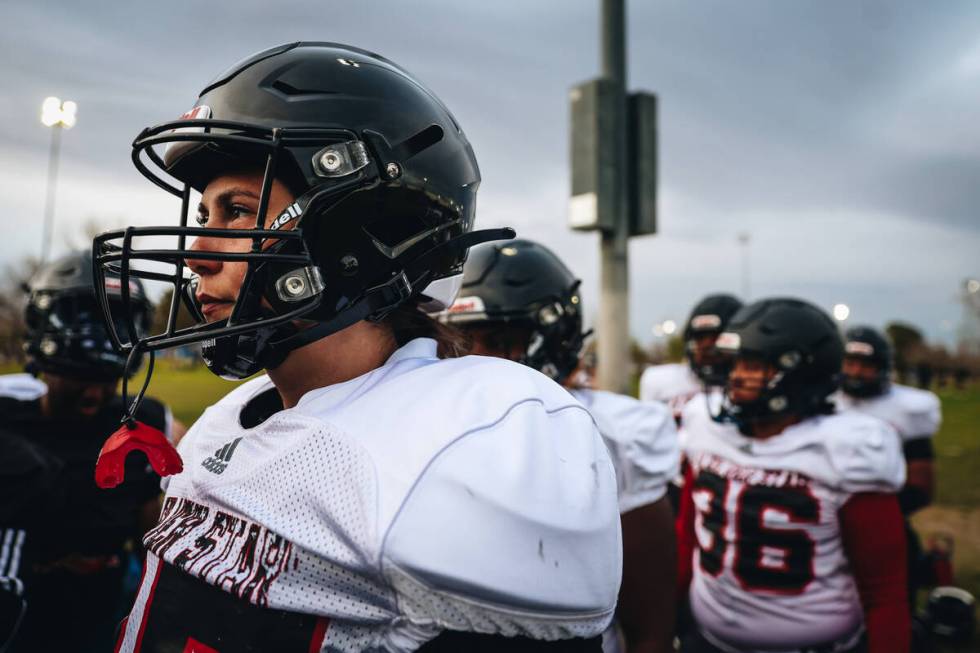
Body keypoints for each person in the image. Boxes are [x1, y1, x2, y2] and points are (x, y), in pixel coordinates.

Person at [92, 42, 621, 652]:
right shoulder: (227, 423)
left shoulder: (462, 439)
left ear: (357, 231)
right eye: (205, 212)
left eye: (236, 212)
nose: (196, 252)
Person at [440, 239, 679, 653]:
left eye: (495, 339)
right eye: (463, 340)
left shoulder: (613, 435)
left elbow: (650, 622)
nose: (474, 359)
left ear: (554, 335)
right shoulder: (431, 421)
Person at [675, 298, 910, 653]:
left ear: (802, 372)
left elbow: (885, 590)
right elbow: (686, 538)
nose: (736, 375)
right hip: (707, 641)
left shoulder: (846, 448)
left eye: (755, 365)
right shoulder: (706, 429)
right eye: (737, 363)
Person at [0, 251, 184, 652]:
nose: (95, 393)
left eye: (107, 378)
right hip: (23, 609)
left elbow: (150, 524)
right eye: (79, 377)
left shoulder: (142, 421)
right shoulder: (9, 417)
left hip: (107, 602)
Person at [834, 326, 943, 601]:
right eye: (850, 363)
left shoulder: (908, 409)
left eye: (865, 365)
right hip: (826, 524)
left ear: (882, 368)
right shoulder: (825, 400)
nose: (856, 372)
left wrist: (866, 515)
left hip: (883, 523)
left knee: (891, 598)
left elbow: (921, 488)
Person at [639, 294, 742, 422]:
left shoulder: (747, 385)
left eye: (716, 337)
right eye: (700, 337)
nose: (706, 345)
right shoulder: (659, 380)